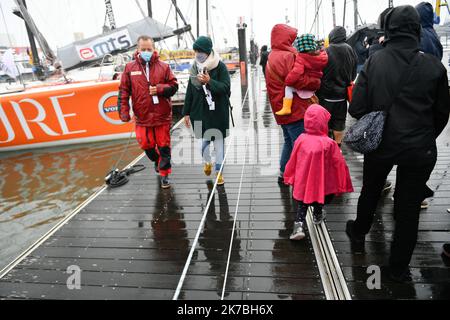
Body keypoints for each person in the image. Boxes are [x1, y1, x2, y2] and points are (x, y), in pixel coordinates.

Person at [346, 6, 450, 282]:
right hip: (419, 148)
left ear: (388, 30)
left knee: (371, 190)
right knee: (408, 208)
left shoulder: (374, 62)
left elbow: (356, 107)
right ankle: (399, 267)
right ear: (416, 29)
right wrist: (424, 134)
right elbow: (442, 114)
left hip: (381, 144)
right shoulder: (434, 66)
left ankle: (358, 232)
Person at [284, 104, 353, 240]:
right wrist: (342, 180)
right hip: (322, 179)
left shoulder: (301, 140)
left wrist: (290, 174)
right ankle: (317, 215)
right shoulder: (329, 143)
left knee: (303, 202)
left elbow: (293, 159)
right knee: (319, 196)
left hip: (304, 181)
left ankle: (298, 225)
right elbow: (338, 163)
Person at [119, 35, 179, 189]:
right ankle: (157, 160)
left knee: (164, 145)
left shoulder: (164, 67)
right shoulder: (129, 68)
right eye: (143, 49)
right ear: (137, 50)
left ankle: (164, 175)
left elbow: (174, 87)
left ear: (154, 49)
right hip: (142, 117)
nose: (146, 51)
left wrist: (159, 89)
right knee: (146, 144)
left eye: (149, 49)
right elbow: (124, 91)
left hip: (162, 115)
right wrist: (124, 111)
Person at [266, 24, 323, 183]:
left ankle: (283, 173)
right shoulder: (289, 56)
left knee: (289, 142)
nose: (293, 42)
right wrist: (316, 82)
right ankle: (302, 178)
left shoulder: (272, 56)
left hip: (281, 107)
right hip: (295, 109)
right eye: (291, 38)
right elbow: (298, 80)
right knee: (301, 144)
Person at [183, 36, 231, 186]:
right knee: (202, 145)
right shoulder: (194, 69)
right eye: (196, 51)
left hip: (217, 113)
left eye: (201, 51)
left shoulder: (220, 66)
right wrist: (186, 113)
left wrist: (209, 81)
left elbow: (225, 88)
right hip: (198, 114)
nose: (198, 54)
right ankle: (207, 162)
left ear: (208, 51)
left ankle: (219, 173)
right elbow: (189, 92)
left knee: (219, 145)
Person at [317, 26, 357, 146]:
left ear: (332, 36)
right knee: (339, 122)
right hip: (342, 95)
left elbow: (320, 72)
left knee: (325, 122)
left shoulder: (326, 51)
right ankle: (337, 146)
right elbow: (353, 73)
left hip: (326, 95)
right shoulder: (350, 50)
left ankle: (326, 146)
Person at [276, 34, 328, 116]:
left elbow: (296, 72)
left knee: (288, 88)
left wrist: (288, 81)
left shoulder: (301, 58)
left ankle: (286, 108)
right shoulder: (321, 57)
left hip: (305, 85)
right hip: (315, 83)